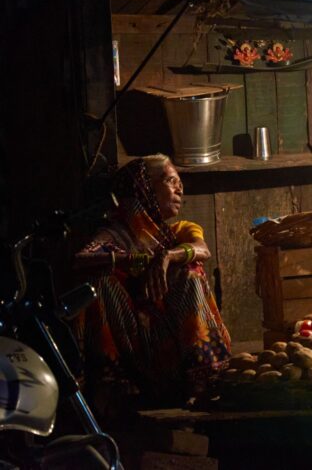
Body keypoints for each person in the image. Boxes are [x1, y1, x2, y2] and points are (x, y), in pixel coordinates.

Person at [73, 154, 231, 403]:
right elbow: (81, 258)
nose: (180, 188)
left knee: (192, 270)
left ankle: (205, 378)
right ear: (144, 188)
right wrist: (133, 260)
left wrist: (167, 256)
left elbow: (202, 249)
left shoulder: (179, 232)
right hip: (135, 345)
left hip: (174, 348)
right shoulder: (115, 235)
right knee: (98, 281)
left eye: (179, 182)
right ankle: (113, 385)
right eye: (170, 181)